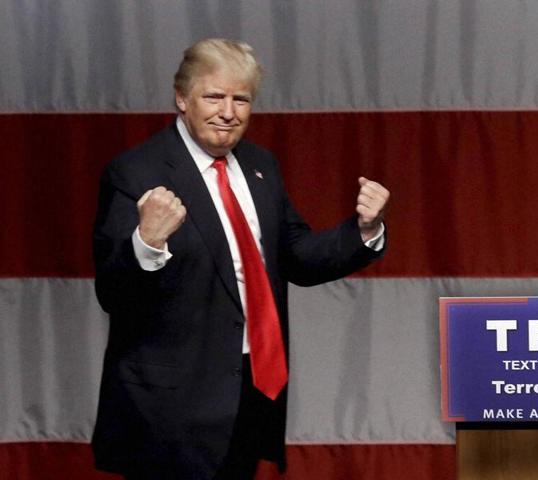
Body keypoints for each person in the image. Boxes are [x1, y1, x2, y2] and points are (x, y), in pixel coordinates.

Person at [92, 38, 389, 480]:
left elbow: (298, 258)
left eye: (241, 98)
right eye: (214, 96)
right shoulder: (136, 172)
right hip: (167, 409)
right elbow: (112, 292)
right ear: (181, 98)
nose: (228, 111)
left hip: (249, 389)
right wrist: (147, 242)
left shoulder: (259, 165)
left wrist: (364, 230)